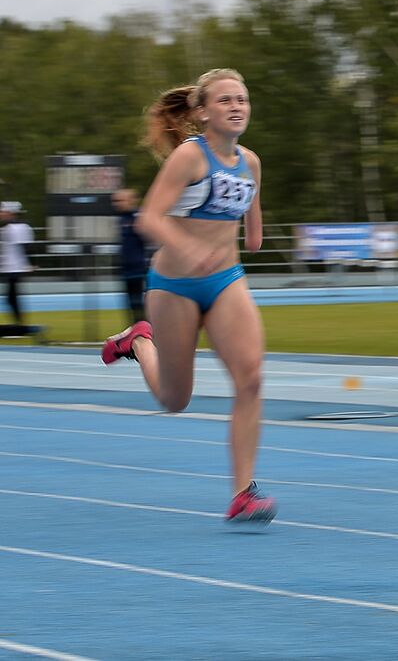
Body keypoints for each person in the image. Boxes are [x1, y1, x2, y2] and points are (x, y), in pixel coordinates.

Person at [98, 68, 276, 524]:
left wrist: (250, 231)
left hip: (225, 281)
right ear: (202, 112)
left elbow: (253, 235)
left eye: (243, 99)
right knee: (176, 400)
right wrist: (188, 245)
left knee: (252, 378)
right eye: (225, 100)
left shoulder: (250, 162)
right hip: (173, 285)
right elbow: (149, 219)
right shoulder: (188, 157)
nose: (237, 107)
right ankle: (140, 341)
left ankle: (243, 493)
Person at [112, 188, 152, 324]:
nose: (117, 204)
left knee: (140, 304)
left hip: (138, 269)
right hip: (126, 270)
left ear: (131, 200)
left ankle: (147, 334)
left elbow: (149, 238)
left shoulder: (138, 217)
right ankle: (135, 334)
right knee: (131, 305)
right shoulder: (121, 219)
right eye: (115, 201)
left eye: (120, 200)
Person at [0, 201, 35, 328]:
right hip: (8, 267)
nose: (1, 214)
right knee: (11, 297)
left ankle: (19, 324)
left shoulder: (19, 228)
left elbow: (26, 247)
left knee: (11, 297)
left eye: (3, 211)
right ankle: (19, 323)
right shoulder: (7, 228)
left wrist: (29, 264)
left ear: (11, 213)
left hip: (15, 267)